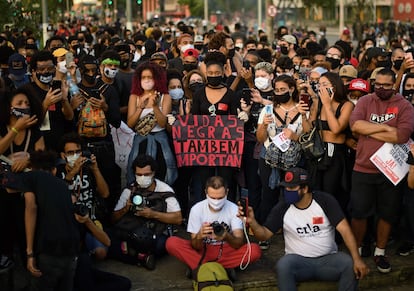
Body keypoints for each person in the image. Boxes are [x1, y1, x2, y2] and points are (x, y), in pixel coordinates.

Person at [242, 167, 369, 291]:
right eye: (285, 187)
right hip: (298, 262)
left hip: (327, 260)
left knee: (349, 263)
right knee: (283, 265)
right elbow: (264, 235)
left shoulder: (325, 201)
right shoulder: (282, 207)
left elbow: (345, 230)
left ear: (305, 188)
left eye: (292, 187)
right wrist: (253, 223)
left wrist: (357, 259)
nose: (287, 190)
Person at [349, 68, 414, 273]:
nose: (381, 88)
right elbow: (355, 126)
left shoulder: (404, 105)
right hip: (363, 167)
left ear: (394, 84)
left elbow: (402, 136)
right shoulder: (365, 101)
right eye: (378, 84)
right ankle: (357, 250)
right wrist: (386, 128)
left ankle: (380, 252)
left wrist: (369, 130)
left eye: (386, 85)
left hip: (390, 171)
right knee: (358, 212)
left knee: (387, 214)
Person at [255, 75, 311, 250]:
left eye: (282, 90)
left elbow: (309, 135)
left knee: (293, 195)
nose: (279, 93)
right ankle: (266, 233)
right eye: (276, 90)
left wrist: (295, 134)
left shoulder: (303, 108)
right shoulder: (268, 110)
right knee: (268, 195)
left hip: (294, 159)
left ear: (292, 89)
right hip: (269, 159)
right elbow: (260, 138)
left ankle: (294, 232)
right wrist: (264, 125)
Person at [166, 176, 261, 277]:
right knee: (171, 242)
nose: (216, 202)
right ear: (206, 193)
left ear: (227, 193)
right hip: (204, 250)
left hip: (225, 250)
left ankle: (200, 267)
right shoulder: (197, 209)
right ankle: (223, 269)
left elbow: (239, 243)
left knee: (255, 250)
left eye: (220, 198)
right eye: (212, 198)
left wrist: (226, 236)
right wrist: (199, 236)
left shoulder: (234, 209)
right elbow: (195, 246)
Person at [20, 151, 80, 291]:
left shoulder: (30, 177)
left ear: (32, 167)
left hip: (49, 250)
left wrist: (29, 253)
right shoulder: (63, 185)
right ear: (53, 170)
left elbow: (31, 207)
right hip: (71, 251)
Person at [110, 154, 182, 269]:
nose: (142, 177)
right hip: (133, 230)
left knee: (162, 245)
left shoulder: (164, 190)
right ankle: (142, 257)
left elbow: (178, 219)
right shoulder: (130, 190)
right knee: (110, 237)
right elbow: (114, 218)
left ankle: (133, 255)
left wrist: (153, 214)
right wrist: (126, 209)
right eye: (139, 174)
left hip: (156, 232)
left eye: (146, 174)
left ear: (153, 173)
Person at [0, 87, 44, 269]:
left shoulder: (35, 132)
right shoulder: (3, 129)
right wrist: (16, 129)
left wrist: (28, 160)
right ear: (8, 108)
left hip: (27, 191)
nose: (24, 106)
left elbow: (42, 158)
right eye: (19, 104)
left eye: (27, 103)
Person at [58, 132, 110, 259]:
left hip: (89, 219)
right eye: (70, 153)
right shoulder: (58, 171)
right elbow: (57, 194)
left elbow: (105, 193)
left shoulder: (88, 168)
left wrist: (95, 169)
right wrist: (73, 173)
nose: (75, 155)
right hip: (69, 221)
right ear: (63, 155)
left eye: (78, 151)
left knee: (101, 253)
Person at [126, 61, 177, 186]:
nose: (147, 80)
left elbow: (163, 122)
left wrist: (155, 106)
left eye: (150, 77)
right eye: (143, 77)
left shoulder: (165, 97)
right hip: (140, 142)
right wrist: (140, 108)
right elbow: (130, 123)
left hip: (160, 142)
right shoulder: (134, 97)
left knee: (163, 173)